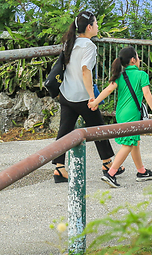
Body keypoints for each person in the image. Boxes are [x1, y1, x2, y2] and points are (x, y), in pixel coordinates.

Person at [51, 10, 119, 183]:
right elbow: (85, 70)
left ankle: (59, 168)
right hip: (81, 96)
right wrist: (92, 97)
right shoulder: (89, 46)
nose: (97, 26)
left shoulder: (70, 43)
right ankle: (107, 164)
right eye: (95, 24)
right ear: (89, 27)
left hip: (66, 94)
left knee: (64, 131)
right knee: (98, 129)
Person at [89, 46, 152, 187]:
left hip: (121, 113)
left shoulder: (121, 76)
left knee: (134, 141)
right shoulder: (142, 75)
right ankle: (111, 174)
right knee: (128, 143)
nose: (139, 59)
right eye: (138, 57)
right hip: (132, 114)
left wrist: (95, 102)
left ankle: (142, 171)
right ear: (133, 60)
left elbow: (108, 89)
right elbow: (147, 94)